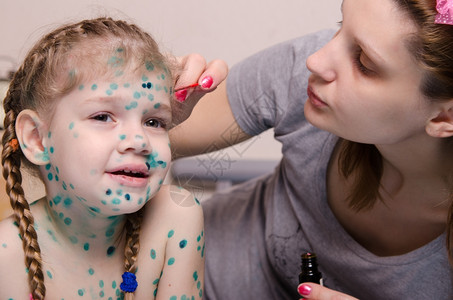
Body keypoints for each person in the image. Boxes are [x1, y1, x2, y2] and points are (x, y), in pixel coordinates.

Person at [170, 0, 453, 299]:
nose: (315, 60)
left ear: (443, 117)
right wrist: (140, 92)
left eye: (365, 63)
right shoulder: (308, 78)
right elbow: (162, 131)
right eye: (340, 26)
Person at [0, 17, 207, 300]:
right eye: (102, 117)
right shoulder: (6, 257)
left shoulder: (175, 219)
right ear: (37, 138)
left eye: (154, 121)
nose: (139, 140)